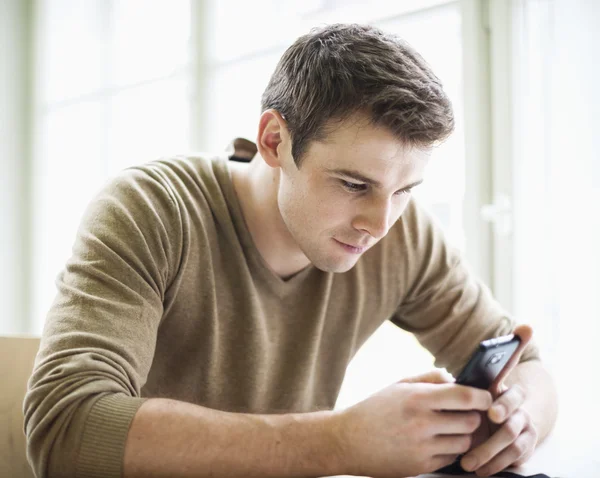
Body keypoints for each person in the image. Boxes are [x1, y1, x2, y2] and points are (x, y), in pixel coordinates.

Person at [23, 23, 557, 478]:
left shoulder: (404, 233)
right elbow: (66, 429)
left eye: (404, 191)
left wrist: (519, 420)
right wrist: (340, 441)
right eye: (353, 184)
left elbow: (528, 367)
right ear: (274, 140)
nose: (379, 223)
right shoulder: (150, 210)